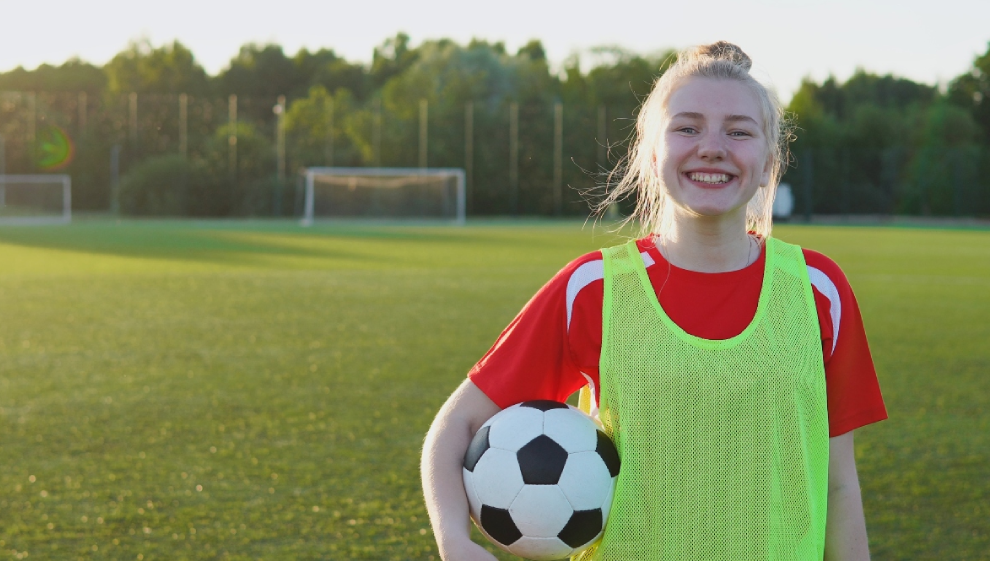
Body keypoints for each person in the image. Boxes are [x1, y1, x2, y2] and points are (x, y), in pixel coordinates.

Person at [421, 42, 887, 561]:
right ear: (650, 153)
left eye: (739, 131)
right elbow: (455, 426)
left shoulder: (819, 289)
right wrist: (453, 541)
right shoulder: (594, 289)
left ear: (767, 163)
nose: (712, 147)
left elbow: (839, 484)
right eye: (687, 128)